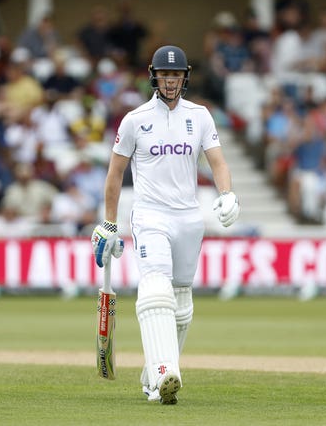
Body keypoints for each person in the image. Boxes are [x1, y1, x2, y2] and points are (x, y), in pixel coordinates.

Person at [90, 45, 239, 404]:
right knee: (156, 288)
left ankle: (150, 375)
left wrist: (228, 193)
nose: (170, 81)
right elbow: (115, 173)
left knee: (182, 305)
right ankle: (163, 374)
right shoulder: (135, 119)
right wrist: (109, 222)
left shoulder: (200, 115)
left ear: (184, 77)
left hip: (188, 217)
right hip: (150, 214)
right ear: (153, 76)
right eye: (164, 75)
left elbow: (217, 162)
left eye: (176, 75)